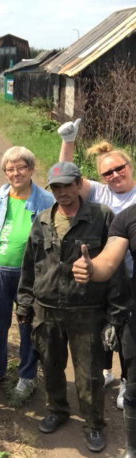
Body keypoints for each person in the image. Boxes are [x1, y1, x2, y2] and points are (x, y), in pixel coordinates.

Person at [17, 162, 130, 453]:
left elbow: (115, 269)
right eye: (56, 187)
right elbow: (30, 266)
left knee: (90, 373)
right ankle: (57, 409)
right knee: (51, 365)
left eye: (68, 185)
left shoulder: (101, 217)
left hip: (87, 311)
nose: (63, 192)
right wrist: (25, 304)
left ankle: (94, 424)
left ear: (79, 183)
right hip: (47, 309)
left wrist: (115, 316)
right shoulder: (42, 219)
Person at [59, 119, 136, 407]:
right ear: (101, 177)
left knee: (129, 329)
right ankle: (106, 371)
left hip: (131, 275)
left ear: (129, 166)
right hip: (103, 271)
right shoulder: (99, 193)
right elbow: (66, 179)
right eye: (108, 172)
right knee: (102, 322)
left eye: (120, 168)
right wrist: (68, 142)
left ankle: (127, 380)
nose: (115, 175)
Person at [0, 146, 54, 397]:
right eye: (10, 169)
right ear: (5, 172)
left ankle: (26, 376)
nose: (16, 173)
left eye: (21, 167)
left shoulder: (46, 201)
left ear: (31, 169)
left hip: (31, 276)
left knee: (28, 325)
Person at [72, 205, 136, 458]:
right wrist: (92, 268)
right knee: (134, 387)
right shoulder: (129, 217)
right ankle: (132, 449)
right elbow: (108, 260)